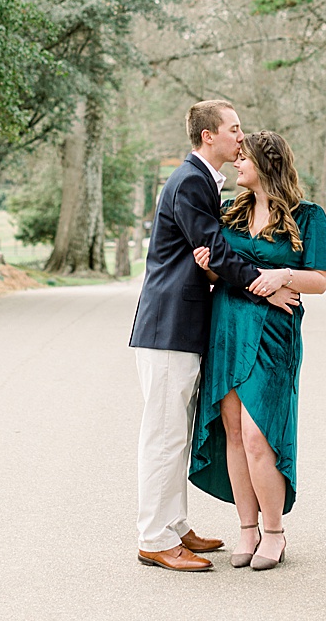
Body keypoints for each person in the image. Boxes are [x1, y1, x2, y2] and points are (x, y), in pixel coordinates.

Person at [126, 100, 300, 571]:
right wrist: (268, 288)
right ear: (209, 136)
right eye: (234, 129)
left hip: (184, 328)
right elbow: (217, 252)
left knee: (175, 434)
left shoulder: (203, 181)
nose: (240, 138)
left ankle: (175, 526)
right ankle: (154, 539)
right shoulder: (191, 181)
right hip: (168, 328)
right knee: (163, 437)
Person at [188, 130, 326, 571]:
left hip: (274, 333)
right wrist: (208, 270)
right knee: (232, 431)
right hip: (228, 327)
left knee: (258, 434)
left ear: (266, 163)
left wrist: (284, 275)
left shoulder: (309, 216)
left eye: (244, 157)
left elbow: (321, 280)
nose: (236, 163)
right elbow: (222, 271)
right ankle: (246, 531)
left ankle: (275, 533)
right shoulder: (231, 213)